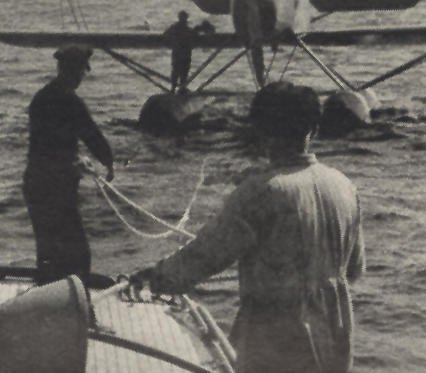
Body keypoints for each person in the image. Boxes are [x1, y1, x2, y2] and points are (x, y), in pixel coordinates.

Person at [130, 81, 366, 373]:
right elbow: (354, 269)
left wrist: (155, 278)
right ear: (313, 129)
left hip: (277, 338)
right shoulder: (344, 186)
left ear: (260, 131)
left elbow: (205, 256)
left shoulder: (260, 191)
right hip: (334, 334)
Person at [23, 44, 114, 287]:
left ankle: (47, 297)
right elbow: (91, 135)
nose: (82, 77)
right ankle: (75, 302)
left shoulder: (40, 98)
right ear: (74, 71)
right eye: (82, 71)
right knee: (78, 254)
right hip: (57, 185)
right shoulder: (71, 102)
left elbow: (48, 142)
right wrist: (108, 162)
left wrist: (74, 158)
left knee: (47, 252)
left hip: (35, 182)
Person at [164, 10, 195, 93]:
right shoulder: (178, 28)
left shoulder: (182, 28)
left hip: (183, 52)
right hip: (180, 52)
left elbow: (166, 34)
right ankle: (177, 88)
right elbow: (166, 34)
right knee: (179, 71)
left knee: (182, 71)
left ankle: (179, 88)